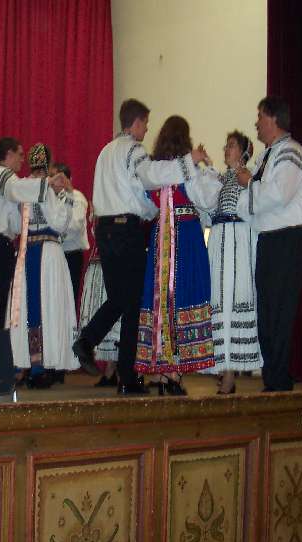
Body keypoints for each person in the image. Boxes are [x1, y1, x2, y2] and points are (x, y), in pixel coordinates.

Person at [73, 99, 207, 395]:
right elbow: (150, 176)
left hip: (105, 230)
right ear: (135, 122)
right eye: (145, 123)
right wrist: (189, 161)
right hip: (126, 230)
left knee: (121, 298)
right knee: (132, 303)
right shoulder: (134, 150)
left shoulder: (105, 152)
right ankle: (126, 376)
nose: (147, 130)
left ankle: (89, 342)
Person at [133, 115, 220, 394]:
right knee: (180, 296)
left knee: (163, 298)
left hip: (162, 237)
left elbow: (147, 202)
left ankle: (163, 371)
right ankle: (172, 372)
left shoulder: (155, 169)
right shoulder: (184, 169)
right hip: (186, 235)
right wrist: (206, 166)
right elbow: (207, 200)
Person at [236, 96, 302, 391]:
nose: (256, 122)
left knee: (279, 310)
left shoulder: (292, 151)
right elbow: (252, 201)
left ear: (273, 118)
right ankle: (273, 377)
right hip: (268, 239)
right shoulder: (266, 157)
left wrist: (249, 184)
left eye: (260, 116)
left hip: (287, 238)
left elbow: (279, 194)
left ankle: (279, 380)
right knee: (267, 310)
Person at [0, 137, 70, 329]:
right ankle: (2, 346)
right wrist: (49, 183)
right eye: (19, 155)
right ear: (8, 154)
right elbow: (17, 190)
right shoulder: (5, 176)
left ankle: (0, 345)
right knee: (0, 306)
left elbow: (16, 219)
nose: (22, 160)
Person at [6, 143, 80, 387]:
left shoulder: (23, 186)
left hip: (26, 250)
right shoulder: (46, 189)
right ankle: (43, 364)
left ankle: (25, 362)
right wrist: (68, 196)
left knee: (25, 306)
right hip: (48, 251)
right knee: (50, 304)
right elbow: (59, 223)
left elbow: (15, 223)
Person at [201, 131, 263, 394]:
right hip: (219, 242)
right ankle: (224, 368)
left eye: (232, 146)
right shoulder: (220, 178)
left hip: (238, 243)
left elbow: (254, 209)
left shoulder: (249, 177)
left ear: (245, 152)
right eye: (226, 145)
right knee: (219, 302)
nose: (227, 149)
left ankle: (229, 373)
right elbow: (207, 211)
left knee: (233, 302)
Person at [77, 220, 120, 387]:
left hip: (107, 259)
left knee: (116, 313)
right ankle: (111, 369)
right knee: (111, 309)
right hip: (104, 260)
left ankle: (114, 369)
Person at [49, 162, 89, 315]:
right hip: (55, 254)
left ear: (68, 180)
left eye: (58, 177)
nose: (54, 181)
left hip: (71, 254)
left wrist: (55, 231)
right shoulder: (49, 198)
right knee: (54, 297)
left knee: (69, 298)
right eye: (51, 176)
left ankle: (69, 329)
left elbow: (75, 225)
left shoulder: (77, 197)